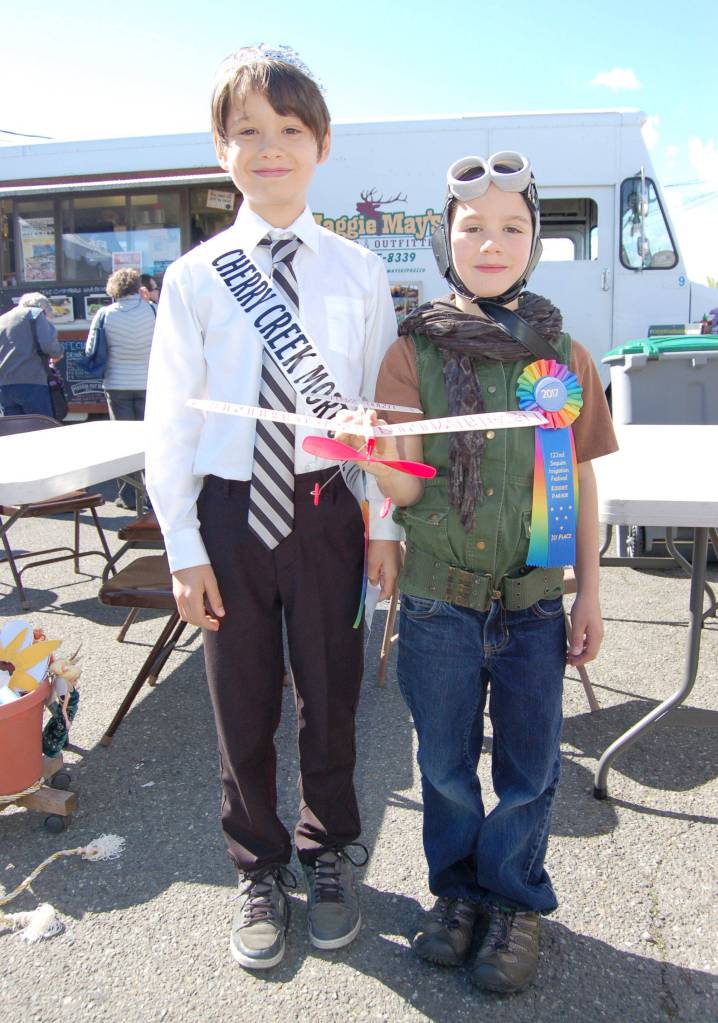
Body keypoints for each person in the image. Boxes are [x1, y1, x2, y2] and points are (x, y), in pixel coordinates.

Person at [144, 45, 399, 970]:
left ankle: (329, 851)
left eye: (289, 129)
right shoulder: (197, 277)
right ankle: (258, 865)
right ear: (221, 149)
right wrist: (181, 546)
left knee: (331, 694)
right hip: (227, 517)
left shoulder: (361, 272)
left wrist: (382, 525)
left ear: (322, 144)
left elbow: (377, 414)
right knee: (240, 701)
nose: (270, 147)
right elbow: (169, 420)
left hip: (329, 506)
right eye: (247, 131)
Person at [337, 152, 617, 994]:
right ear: (443, 238)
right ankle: (456, 894)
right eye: (471, 228)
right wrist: (371, 453)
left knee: (531, 768)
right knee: (446, 765)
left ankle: (514, 900)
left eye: (512, 227)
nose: (490, 243)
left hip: (534, 605)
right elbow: (402, 482)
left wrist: (592, 591)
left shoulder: (566, 355)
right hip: (436, 605)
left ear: (534, 241)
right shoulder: (409, 353)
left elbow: (587, 474)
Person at [88, 267, 155, 507]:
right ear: (139, 287)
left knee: (124, 443)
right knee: (152, 439)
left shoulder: (105, 314)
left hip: (117, 384)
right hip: (150, 382)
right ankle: (154, 492)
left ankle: (128, 496)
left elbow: (91, 349)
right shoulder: (153, 311)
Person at [0, 293, 63, 417]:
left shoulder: (3, 318)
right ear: (42, 307)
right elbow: (49, 346)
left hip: (4, 385)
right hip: (33, 382)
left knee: (15, 431)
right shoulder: (36, 314)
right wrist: (59, 351)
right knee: (40, 427)